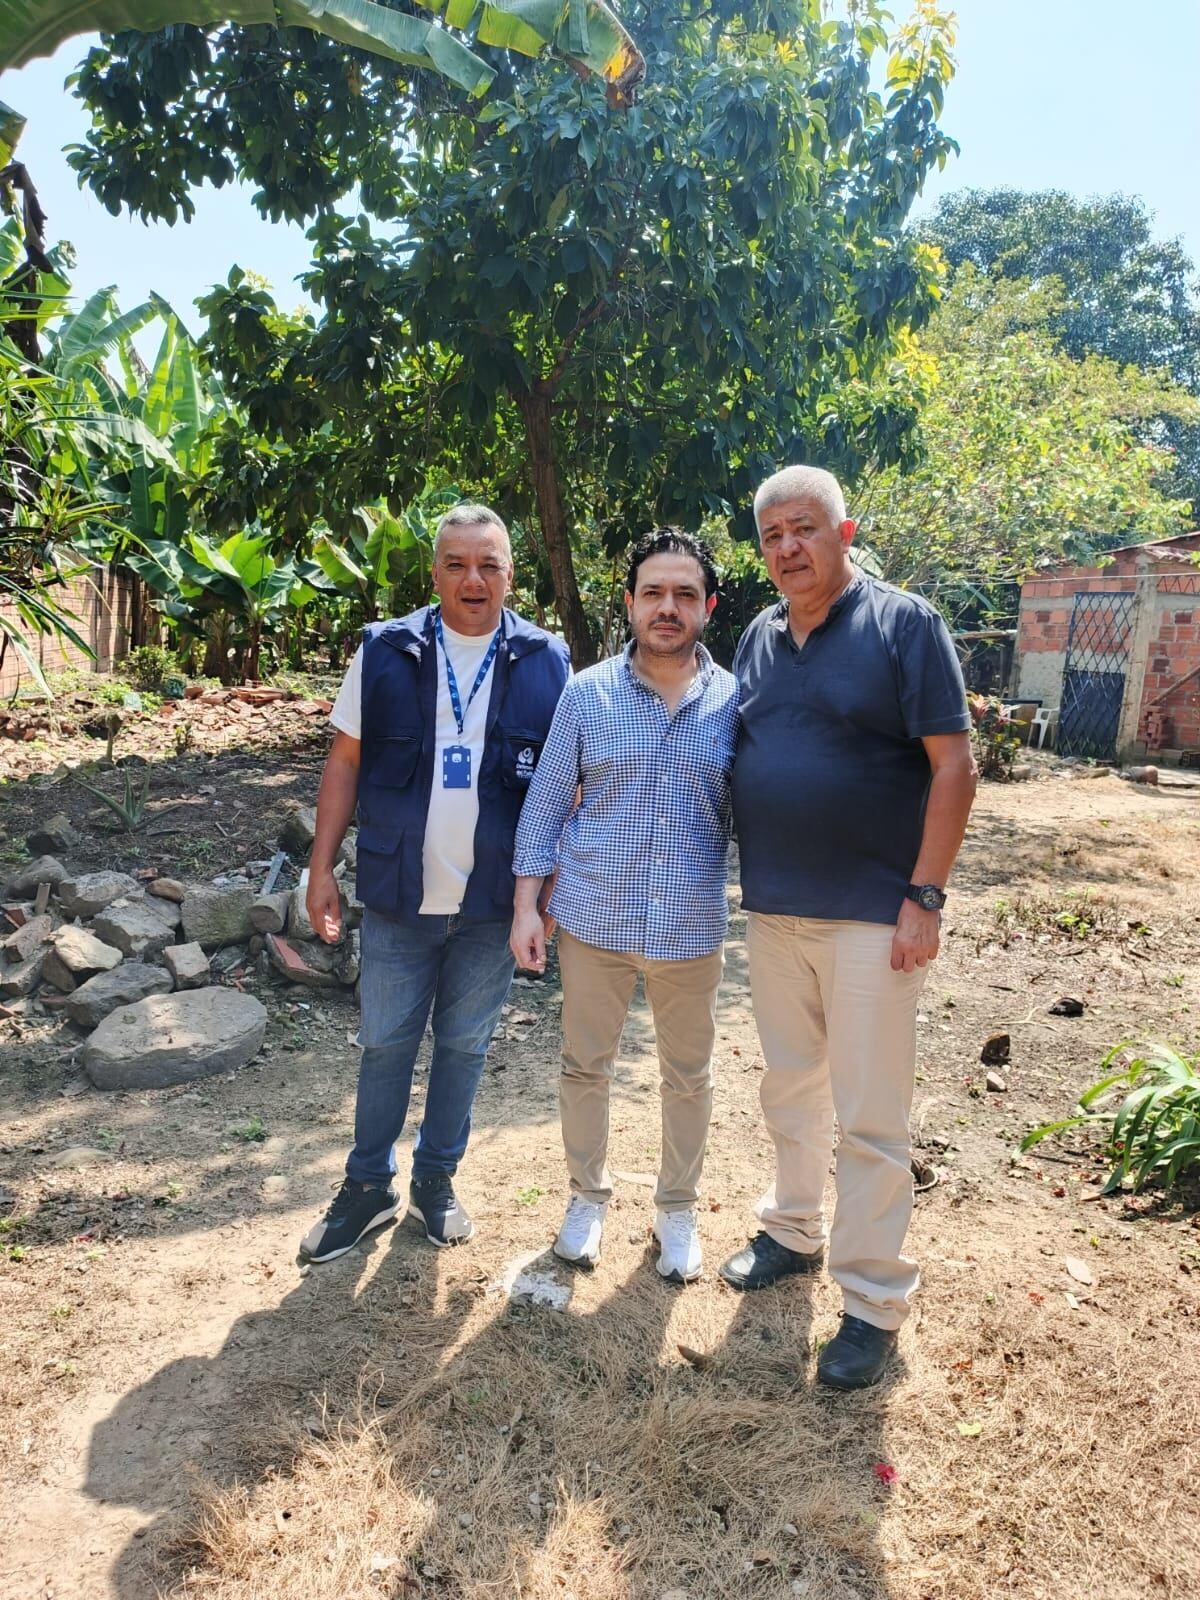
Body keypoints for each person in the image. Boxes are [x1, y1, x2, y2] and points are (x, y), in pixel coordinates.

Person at [720, 465, 977, 1389]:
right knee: (792, 1089)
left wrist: (926, 896)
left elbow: (955, 767)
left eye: (804, 529)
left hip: (875, 915)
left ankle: (870, 1301)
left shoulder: (906, 626)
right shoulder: (756, 636)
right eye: (771, 536)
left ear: (844, 532)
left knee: (871, 1116)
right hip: (775, 910)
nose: (788, 547)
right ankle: (791, 1230)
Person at [299, 504, 570, 1262]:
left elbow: (563, 788)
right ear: (435, 572)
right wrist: (321, 868)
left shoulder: (548, 662)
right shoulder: (386, 651)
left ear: (512, 574)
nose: (473, 579)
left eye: (489, 565)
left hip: (491, 906)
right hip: (398, 897)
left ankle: (436, 1182)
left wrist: (545, 897)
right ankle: (366, 1187)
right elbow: (345, 762)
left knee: (463, 1047)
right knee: (385, 1045)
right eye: (457, 563)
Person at [510, 529, 739, 1284]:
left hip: (688, 925)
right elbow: (545, 805)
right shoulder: (588, 693)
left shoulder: (737, 701)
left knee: (689, 1075)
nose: (666, 608)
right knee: (585, 1066)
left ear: (706, 605)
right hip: (593, 918)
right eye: (652, 593)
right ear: (631, 602)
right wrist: (526, 907)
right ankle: (587, 1196)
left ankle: (676, 1208)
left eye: (682, 594)